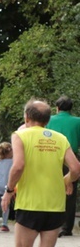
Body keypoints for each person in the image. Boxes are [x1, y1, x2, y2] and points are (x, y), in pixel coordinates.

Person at [2, 99, 80, 247]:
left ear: (26, 117)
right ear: (48, 120)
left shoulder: (20, 135)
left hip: (29, 204)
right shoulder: (60, 138)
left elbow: (18, 166)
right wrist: (66, 180)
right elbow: (75, 168)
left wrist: (8, 190)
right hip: (56, 206)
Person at [47, 96, 80, 237]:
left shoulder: (49, 120)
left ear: (57, 108)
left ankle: (51, 223)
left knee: (51, 189)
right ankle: (66, 227)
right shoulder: (78, 122)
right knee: (70, 193)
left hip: (51, 157)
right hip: (72, 156)